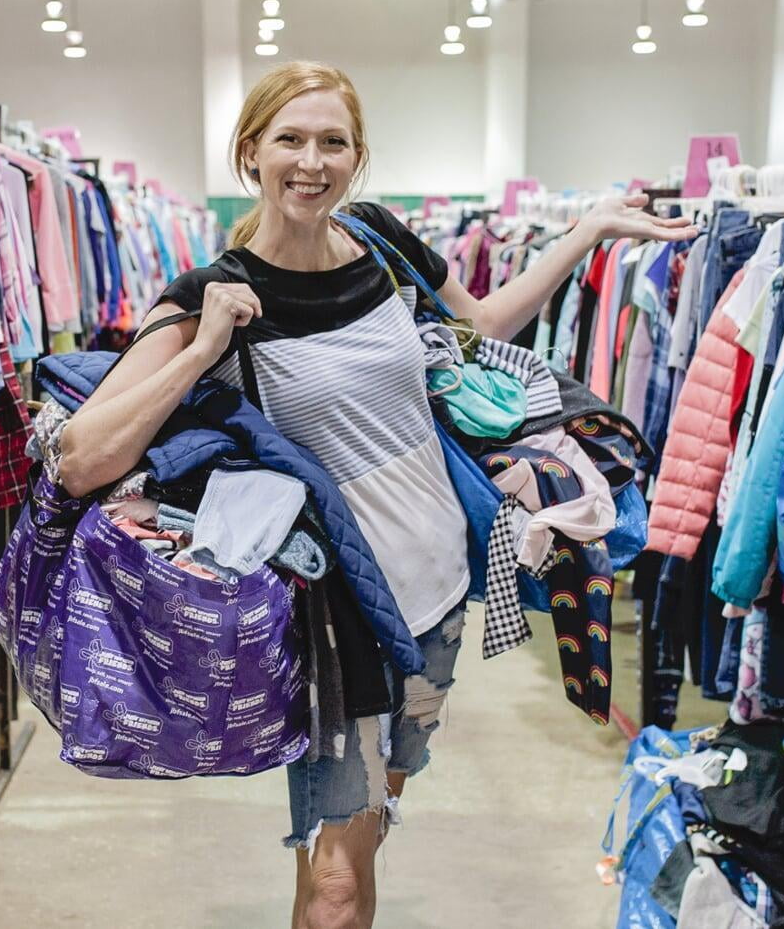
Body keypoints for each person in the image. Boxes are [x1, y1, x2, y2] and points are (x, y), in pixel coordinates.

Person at [56, 61, 695, 929]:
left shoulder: (381, 242)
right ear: (251, 153)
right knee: (339, 885)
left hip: (437, 593)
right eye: (290, 139)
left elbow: (481, 326)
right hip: (336, 617)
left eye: (332, 141)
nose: (310, 161)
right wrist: (205, 348)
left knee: (355, 838)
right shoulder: (216, 292)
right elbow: (79, 458)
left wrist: (585, 232)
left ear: (358, 157)